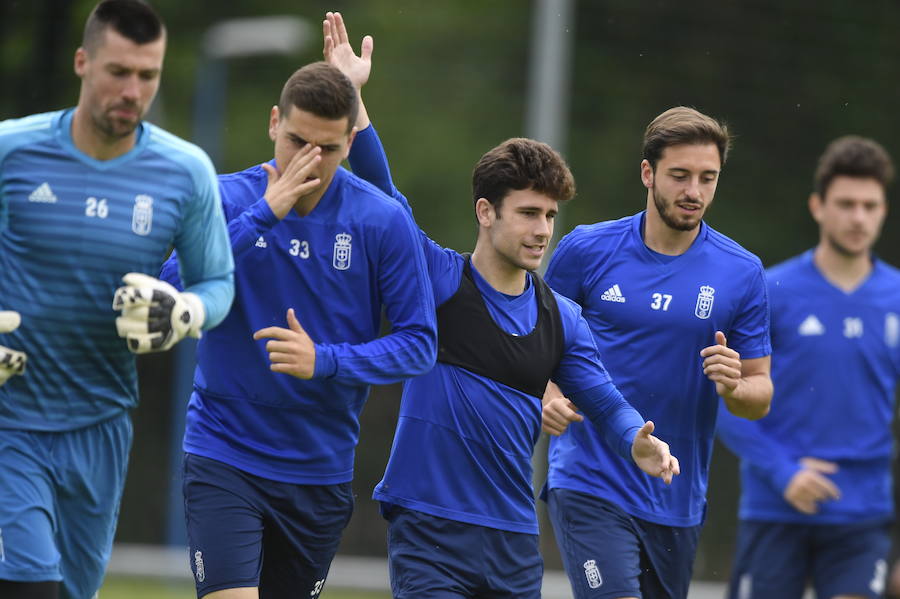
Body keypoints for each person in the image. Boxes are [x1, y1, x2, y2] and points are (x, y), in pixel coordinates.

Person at [323, 12, 679, 599]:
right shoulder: (438, 279)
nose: (543, 230)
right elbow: (386, 195)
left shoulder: (562, 317)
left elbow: (605, 401)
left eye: (549, 216)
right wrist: (354, 96)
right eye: (528, 213)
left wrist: (637, 439)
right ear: (486, 212)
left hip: (514, 541)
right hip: (429, 530)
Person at [158, 58, 437, 598]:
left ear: (350, 143)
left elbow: (419, 344)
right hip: (224, 452)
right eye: (296, 140)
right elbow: (167, 294)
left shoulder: (381, 220)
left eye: (327, 149)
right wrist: (264, 213)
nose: (309, 159)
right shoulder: (224, 198)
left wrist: (327, 360)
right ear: (273, 124)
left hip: (319, 470)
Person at [0, 1, 234, 598]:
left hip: (103, 421)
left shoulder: (186, 172)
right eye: (119, 71)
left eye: (148, 75)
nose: (133, 90)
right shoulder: (12, 151)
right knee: (32, 585)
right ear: (83, 63)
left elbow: (218, 284)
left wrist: (186, 313)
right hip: (12, 417)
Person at [540, 107, 773, 599]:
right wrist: (549, 391)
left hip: (676, 495)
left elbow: (759, 395)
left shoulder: (743, 272)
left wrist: (734, 385)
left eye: (707, 178)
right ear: (648, 173)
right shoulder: (586, 250)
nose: (694, 191)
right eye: (680, 175)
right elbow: (537, 345)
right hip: (590, 478)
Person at [717, 136, 899, 599]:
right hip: (774, 508)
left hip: (862, 512)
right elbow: (722, 401)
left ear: (883, 210)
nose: (858, 217)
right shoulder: (771, 290)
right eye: (845, 204)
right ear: (818, 206)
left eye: (870, 205)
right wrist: (783, 472)